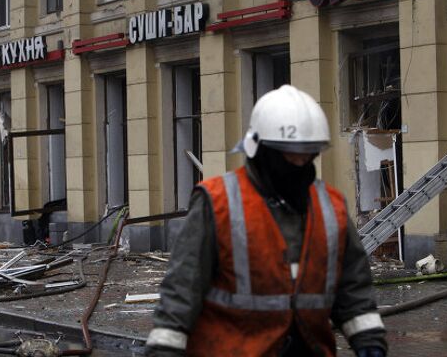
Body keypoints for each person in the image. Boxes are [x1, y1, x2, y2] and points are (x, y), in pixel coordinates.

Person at [145, 85, 387, 356]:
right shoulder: (218, 202)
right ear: (260, 151)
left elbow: (353, 288)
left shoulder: (331, 206)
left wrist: (370, 342)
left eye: (307, 154)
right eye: (290, 154)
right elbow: (182, 288)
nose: (299, 163)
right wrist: (164, 349)